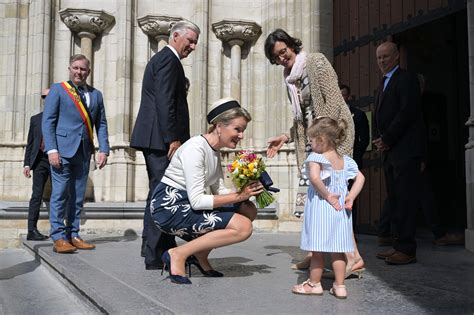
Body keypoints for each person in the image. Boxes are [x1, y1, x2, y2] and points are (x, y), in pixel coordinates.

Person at [264, 28, 365, 276]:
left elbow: (331, 103)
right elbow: (302, 117)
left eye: (283, 52)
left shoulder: (316, 61)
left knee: (334, 197)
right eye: (276, 57)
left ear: (291, 45)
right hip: (314, 141)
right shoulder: (289, 77)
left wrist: (325, 146)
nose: (281, 59)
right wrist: (286, 137)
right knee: (313, 199)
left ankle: (354, 257)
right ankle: (313, 254)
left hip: (332, 138)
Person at [150, 97, 262, 284]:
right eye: (238, 129)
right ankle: (178, 253)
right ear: (219, 126)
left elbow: (219, 189)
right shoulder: (195, 148)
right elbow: (197, 201)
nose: (241, 135)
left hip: (186, 204)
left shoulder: (214, 150)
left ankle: (200, 255)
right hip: (170, 207)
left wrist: (245, 192)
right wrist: (239, 196)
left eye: (242, 130)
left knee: (248, 209)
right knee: (243, 227)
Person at [130, 21, 200, 268]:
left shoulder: (162, 59)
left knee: (157, 194)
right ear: (175, 36)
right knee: (164, 196)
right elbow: (165, 101)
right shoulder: (169, 60)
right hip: (161, 140)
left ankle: (153, 248)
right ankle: (157, 254)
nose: (192, 46)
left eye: (195, 43)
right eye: (189, 41)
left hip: (156, 138)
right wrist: (172, 137)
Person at [42, 54, 110, 253]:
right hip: (61, 151)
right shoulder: (58, 89)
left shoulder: (96, 95)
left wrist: (104, 148)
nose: (79, 72)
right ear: (70, 69)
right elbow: (49, 121)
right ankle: (58, 236)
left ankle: (73, 234)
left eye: (83, 69)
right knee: (60, 194)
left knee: (78, 196)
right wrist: (52, 150)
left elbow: (102, 124)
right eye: (76, 68)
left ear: (88, 72)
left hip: (83, 151)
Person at [291, 117, 365, 298]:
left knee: (317, 251)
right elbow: (360, 178)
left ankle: (314, 284)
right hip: (341, 210)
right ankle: (340, 287)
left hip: (321, 208)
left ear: (321, 139)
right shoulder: (345, 160)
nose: (310, 144)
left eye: (311, 140)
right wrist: (350, 197)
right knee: (338, 251)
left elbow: (315, 178)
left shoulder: (316, 157)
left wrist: (327, 194)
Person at [373, 42, 424, 264]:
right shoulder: (383, 83)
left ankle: (407, 249)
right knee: (395, 200)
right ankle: (397, 245)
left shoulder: (406, 78)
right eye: (379, 58)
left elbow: (406, 112)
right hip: (390, 152)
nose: (382, 61)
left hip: (405, 149)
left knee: (405, 200)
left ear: (396, 57)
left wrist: (387, 139)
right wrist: (380, 140)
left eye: (386, 56)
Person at [23, 88, 51, 241]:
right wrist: (26, 164)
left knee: (60, 195)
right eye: (44, 97)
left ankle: (59, 230)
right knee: (36, 196)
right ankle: (31, 230)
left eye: (49, 96)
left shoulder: (60, 118)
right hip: (39, 161)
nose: (47, 99)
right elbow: (30, 143)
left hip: (56, 160)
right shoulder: (35, 119)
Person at [339, 84, 370, 169]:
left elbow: (365, 139)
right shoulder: (331, 116)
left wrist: (356, 156)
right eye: (338, 95)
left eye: (344, 95)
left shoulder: (359, 115)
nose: (341, 98)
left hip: (353, 158)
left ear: (348, 97)